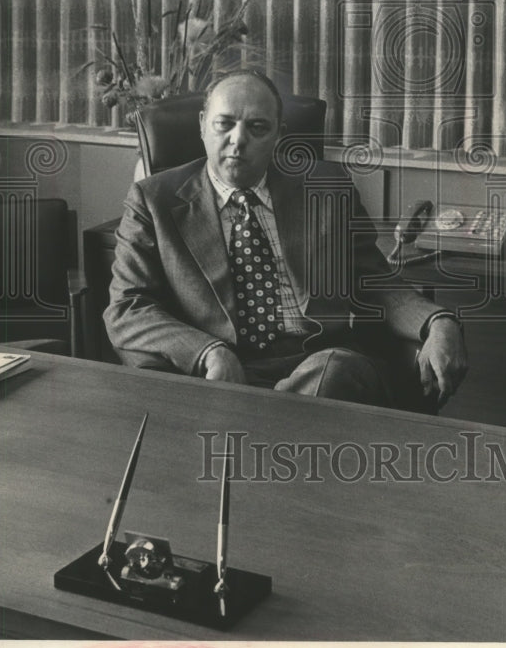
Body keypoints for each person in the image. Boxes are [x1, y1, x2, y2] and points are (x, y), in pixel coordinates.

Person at [105, 70, 467, 407]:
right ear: (203, 126)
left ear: (279, 132)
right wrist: (208, 351)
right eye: (224, 124)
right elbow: (128, 308)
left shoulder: (325, 187)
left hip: (318, 364)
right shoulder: (153, 200)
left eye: (257, 127)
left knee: (333, 370)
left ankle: (257, 429)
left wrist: (438, 321)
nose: (238, 140)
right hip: (222, 371)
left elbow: (372, 281)